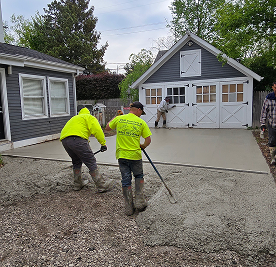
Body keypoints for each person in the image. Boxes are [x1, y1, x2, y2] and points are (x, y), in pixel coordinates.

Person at [105, 101, 152, 216]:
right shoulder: (141, 122)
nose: (141, 115)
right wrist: (143, 146)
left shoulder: (120, 119)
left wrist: (116, 117)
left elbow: (107, 128)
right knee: (138, 176)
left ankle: (128, 207)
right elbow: (148, 140)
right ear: (139, 110)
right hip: (135, 156)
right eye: (141, 112)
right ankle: (140, 203)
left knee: (126, 179)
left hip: (122, 156)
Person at [60, 106, 113, 192]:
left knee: (76, 161)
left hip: (65, 140)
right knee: (91, 161)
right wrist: (103, 143)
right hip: (78, 139)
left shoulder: (75, 118)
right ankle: (102, 185)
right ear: (89, 113)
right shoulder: (89, 117)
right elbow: (97, 130)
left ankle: (77, 184)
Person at [260, 81, 276, 165]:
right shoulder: (269, 98)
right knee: (272, 141)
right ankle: (273, 159)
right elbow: (264, 112)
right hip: (272, 124)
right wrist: (263, 123)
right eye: (275, 88)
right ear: (273, 87)